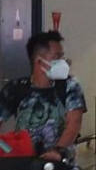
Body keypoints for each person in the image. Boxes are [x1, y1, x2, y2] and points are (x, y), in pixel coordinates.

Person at [0, 31, 86, 161]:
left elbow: (74, 123)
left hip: (58, 164)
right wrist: (7, 149)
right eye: (56, 57)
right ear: (39, 61)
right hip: (23, 165)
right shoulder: (16, 88)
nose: (62, 62)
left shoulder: (70, 86)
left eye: (62, 57)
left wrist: (58, 151)